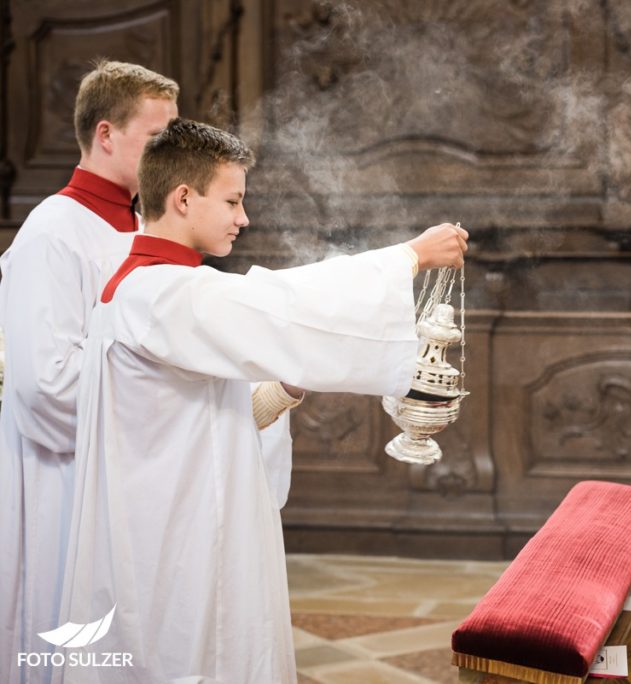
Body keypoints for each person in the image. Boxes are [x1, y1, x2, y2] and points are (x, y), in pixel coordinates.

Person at [54, 118, 468, 683]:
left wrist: (287, 386)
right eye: (231, 200)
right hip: (172, 543)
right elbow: (283, 300)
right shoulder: (159, 292)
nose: (243, 218)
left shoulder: (150, 287)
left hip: (174, 519)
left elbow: (203, 424)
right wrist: (408, 258)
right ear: (182, 198)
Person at [0, 60, 178, 682]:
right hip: (64, 477)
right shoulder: (53, 231)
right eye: (158, 140)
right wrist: (158, 405)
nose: (171, 156)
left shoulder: (139, 228)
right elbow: (43, 383)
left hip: (127, 470)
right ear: (106, 134)